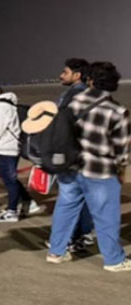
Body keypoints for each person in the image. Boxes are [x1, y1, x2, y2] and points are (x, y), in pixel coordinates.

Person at [47, 62, 131, 271]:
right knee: (106, 215)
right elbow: (122, 149)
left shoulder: (72, 103)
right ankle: (113, 260)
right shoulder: (117, 111)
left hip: (71, 167)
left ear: (90, 81)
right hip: (100, 170)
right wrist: (121, 170)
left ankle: (56, 252)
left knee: (65, 208)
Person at [0, 79, 44, 222]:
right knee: (9, 177)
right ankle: (28, 202)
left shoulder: (1, 106)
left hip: (6, 147)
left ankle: (12, 211)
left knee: (9, 179)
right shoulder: (9, 103)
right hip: (12, 145)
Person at [55, 58, 96, 251]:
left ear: (77, 75)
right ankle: (85, 233)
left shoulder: (73, 94)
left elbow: (63, 124)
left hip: (73, 153)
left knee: (69, 198)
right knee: (85, 196)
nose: (61, 75)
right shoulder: (91, 93)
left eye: (65, 72)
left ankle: (68, 239)